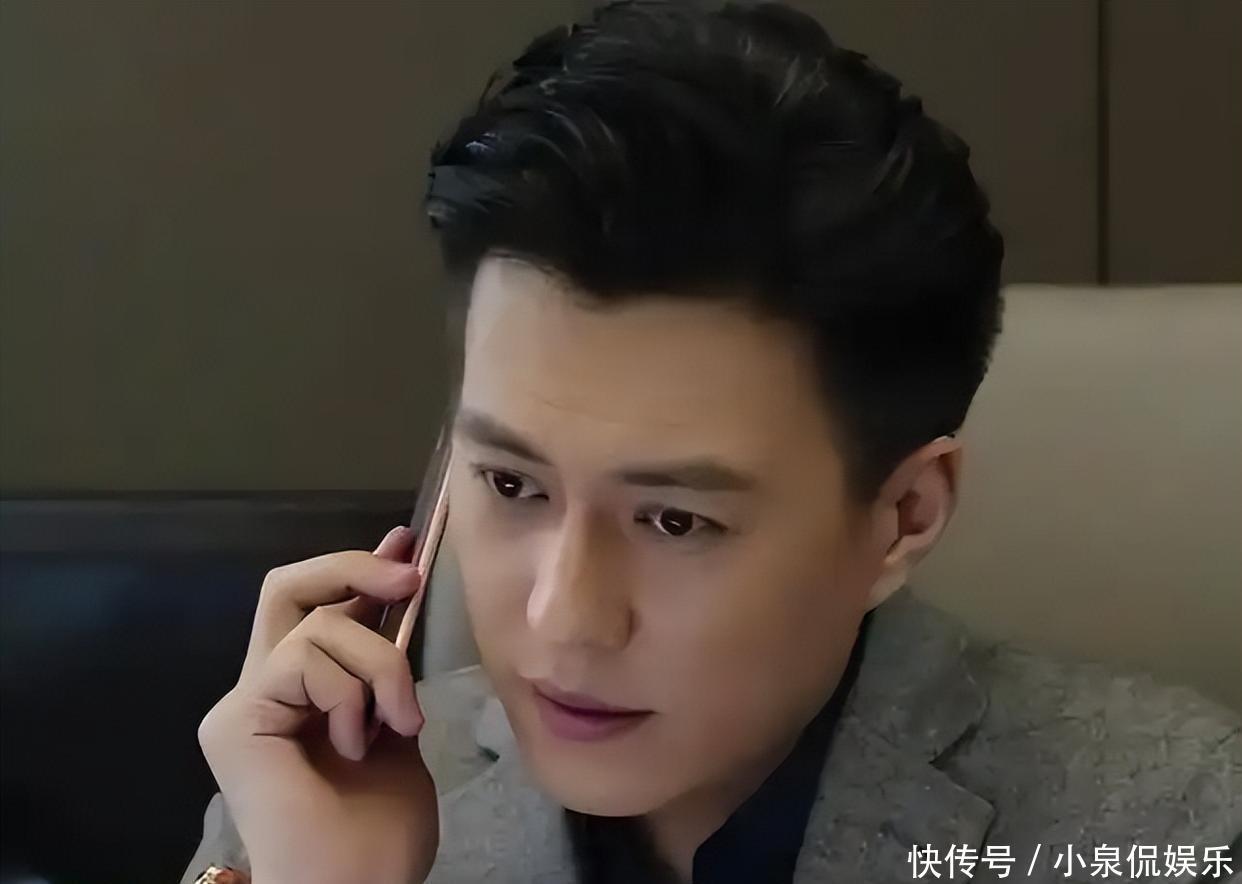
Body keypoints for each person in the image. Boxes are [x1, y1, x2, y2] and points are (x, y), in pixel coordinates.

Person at [183, 2, 1242, 882]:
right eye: (510, 482)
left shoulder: (1167, 821)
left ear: (903, 516)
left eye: (675, 520)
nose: (563, 616)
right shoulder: (307, 798)